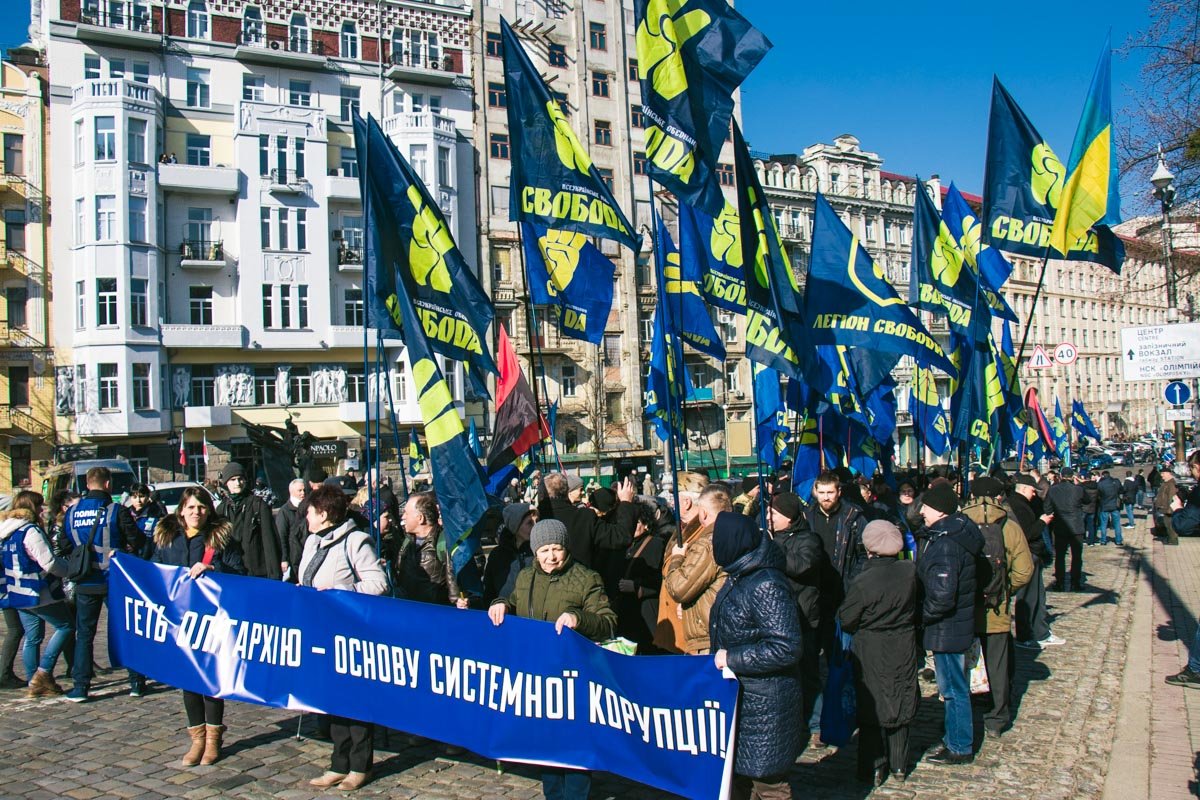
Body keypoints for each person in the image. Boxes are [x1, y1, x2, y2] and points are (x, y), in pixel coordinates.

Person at [488, 519, 617, 800]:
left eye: (557, 548)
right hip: (538, 675)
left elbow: (608, 623)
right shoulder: (525, 577)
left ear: (566, 548)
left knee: (574, 744)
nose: (551, 557)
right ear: (535, 551)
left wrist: (578, 618)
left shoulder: (586, 578)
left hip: (573, 677)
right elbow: (512, 601)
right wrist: (500, 604)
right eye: (544, 550)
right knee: (546, 742)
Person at [301, 485, 389, 792]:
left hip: (352, 635)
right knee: (333, 699)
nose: (306, 517)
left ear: (324, 514)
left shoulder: (355, 540)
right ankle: (338, 763)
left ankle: (360, 765)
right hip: (322, 632)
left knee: (356, 700)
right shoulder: (312, 541)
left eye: (310, 512)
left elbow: (378, 583)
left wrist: (342, 593)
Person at [709, 512, 802, 800]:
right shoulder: (740, 573)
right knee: (740, 780)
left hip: (765, 704)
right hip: (743, 697)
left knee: (768, 784)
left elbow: (786, 646)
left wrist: (732, 658)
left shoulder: (765, 583)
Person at [150, 487, 245, 766]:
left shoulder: (220, 538)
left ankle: (214, 739)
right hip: (179, 621)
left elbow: (240, 573)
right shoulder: (167, 538)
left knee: (210, 679)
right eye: (191, 507)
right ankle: (197, 739)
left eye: (201, 507)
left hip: (212, 620)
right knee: (188, 680)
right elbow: (153, 572)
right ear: (181, 510)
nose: (196, 512)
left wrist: (213, 571)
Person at [838, 520, 919, 786]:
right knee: (900, 697)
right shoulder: (909, 572)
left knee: (872, 704)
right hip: (903, 642)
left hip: (871, 646)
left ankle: (873, 767)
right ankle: (899, 764)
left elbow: (847, 618)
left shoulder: (864, 581)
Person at [916, 482, 983, 765]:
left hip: (948, 627)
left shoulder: (946, 543)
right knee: (955, 687)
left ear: (941, 511)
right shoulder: (956, 532)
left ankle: (959, 745)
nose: (921, 511)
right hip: (956, 623)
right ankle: (955, 735)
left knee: (953, 689)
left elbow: (942, 596)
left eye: (926, 507)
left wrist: (920, 616)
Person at [962, 477, 1034, 738]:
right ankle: (997, 717)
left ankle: (963, 715)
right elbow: (1024, 570)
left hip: (965, 608)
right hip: (996, 608)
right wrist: (1006, 589)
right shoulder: (1009, 526)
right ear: (998, 497)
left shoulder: (960, 523)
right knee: (998, 664)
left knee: (963, 664)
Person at [63, 466, 141, 702]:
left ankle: (80, 686)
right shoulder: (116, 510)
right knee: (125, 630)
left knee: (84, 634)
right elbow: (136, 540)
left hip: (85, 579)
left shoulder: (72, 512)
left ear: (87, 484)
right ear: (108, 484)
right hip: (113, 580)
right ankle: (136, 682)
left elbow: (65, 545)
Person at [802, 469, 868, 748]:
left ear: (839, 492)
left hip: (843, 598)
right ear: (815, 492)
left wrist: (853, 584)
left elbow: (864, 554)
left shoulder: (853, 518)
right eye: (822, 493)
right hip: (814, 598)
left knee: (840, 663)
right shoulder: (807, 516)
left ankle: (844, 716)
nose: (826, 498)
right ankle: (818, 722)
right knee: (811, 664)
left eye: (830, 492)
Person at [0, 490, 74, 698]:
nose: (42, 510)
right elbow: (48, 562)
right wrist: (70, 570)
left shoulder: (6, 531)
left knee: (33, 637)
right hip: (37, 590)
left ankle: (33, 680)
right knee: (66, 626)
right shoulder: (29, 530)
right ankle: (43, 673)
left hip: (17, 591)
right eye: (39, 505)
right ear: (32, 507)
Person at [766, 490, 824, 728]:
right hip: (777, 615)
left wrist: (774, 547)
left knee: (808, 671)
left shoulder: (809, 539)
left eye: (773, 513)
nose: (768, 517)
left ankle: (816, 722)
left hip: (803, 615)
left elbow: (802, 566)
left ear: (789, 517)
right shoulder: (771, 537)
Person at [662, 483, 730, 655]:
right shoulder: (734, 533)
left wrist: (677, 558)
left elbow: (680, 588)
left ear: (703, 512)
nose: (672, 503)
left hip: (707, 631)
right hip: (716, 625)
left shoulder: (707, 542)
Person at [1010, 475, 1066, 649]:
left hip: (1033, 554)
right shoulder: (1017, 505)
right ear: (1024, 489)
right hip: (1027, 554)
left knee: (1038, 595)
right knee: (1028, 596)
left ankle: (1040, 632)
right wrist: (1042, 522)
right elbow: (1027, 533)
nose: (1034, 494)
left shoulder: (1024, 503)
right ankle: (1026, 635)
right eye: (1032, 490)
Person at [395, 491, 478, 607]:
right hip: (407, 610)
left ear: (420, 518)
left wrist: (459, 602)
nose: (403, 517)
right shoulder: (407, 542)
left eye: (406, 513)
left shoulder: (445, 542)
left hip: (434, 613)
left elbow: (454, 585)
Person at [539, 473, 637, 571]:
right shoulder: (583, 517)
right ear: (567, 492)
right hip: (580, 577)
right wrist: (626, 502)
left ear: (541, 494)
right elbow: (621, 537)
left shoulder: (535, 518)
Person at [218, 462, 282, 580]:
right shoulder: (222, 509)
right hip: (232, 572)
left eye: (240, 479)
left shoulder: (258, 505)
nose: (237, 483)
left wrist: (274, 575)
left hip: (257, 573)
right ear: (226, 482)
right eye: (233, 480)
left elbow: (270, 542)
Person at [615, 503, 665, 651]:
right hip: (626, 614)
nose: (632, 525)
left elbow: (661, 579)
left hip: (646, 613)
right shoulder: (624, 544)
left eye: (636, 521)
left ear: (646, 524)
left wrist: (637, 586)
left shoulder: (656, 544)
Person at [484, 502, 536, 604]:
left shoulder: (539, 552)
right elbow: (489, 590)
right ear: (515, 525)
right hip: (501, 611)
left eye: (537, 521)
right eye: (529, 523)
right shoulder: (497, 555)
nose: (535, 526)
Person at [1044, 467, 1086, 591]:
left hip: (1060, 526)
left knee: (1060, 556)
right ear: (1072, 476)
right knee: (1076, 556)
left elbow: (1047, 508)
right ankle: (1075, 583)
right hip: (1076, 526)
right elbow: (1088, 500)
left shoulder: (1053, 489)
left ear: (1061, 476)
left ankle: (1060, 582)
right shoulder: (1078, 489)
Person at [273, 478, 307, 582]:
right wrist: (284, 558)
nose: (303, 493)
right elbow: (281, 536)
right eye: (299, 490)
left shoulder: (309, 508)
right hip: (293, 557)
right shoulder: (285, 511)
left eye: (304, 490)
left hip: (306, 553)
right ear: (291, 491)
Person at [1094, 470, 1123, 546]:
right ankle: (1118, 540)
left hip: (1104, 505)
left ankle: (1103, 540)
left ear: (1103, 476)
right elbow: (1121, 490)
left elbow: (1098, 494)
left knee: (1103, 524)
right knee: (1117, 524)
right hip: (1115, 505)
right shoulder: (1116, 481)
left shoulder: (1100, 484)